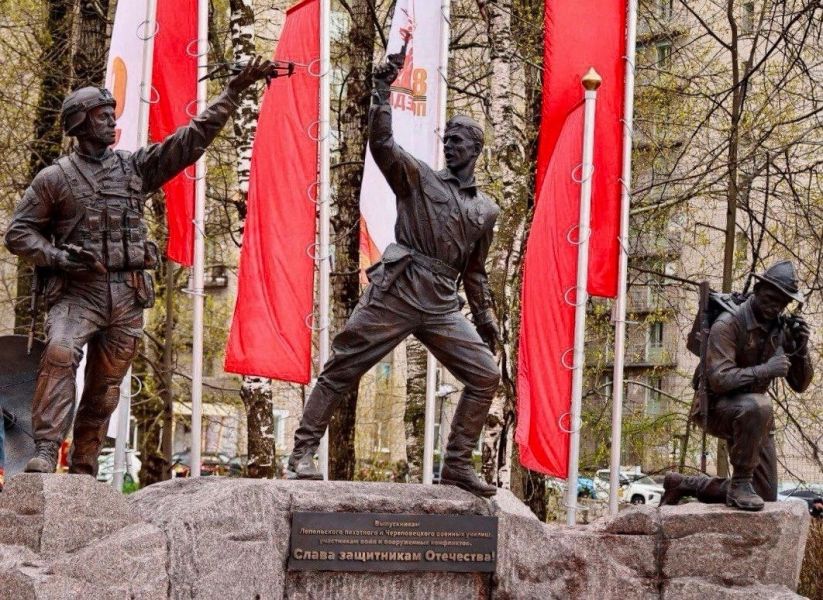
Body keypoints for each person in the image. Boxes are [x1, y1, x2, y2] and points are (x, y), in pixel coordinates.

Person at [4, 57, 278, 476]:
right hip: (78, 292)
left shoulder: (134, 168)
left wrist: (233, 91)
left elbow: (191, 140)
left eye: (111, 114)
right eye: (102, 115)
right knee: (59, 352)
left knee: (105, 385)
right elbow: (19, 233)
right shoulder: (54, 179)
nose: (111, 121)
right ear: (80, 123)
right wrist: (58, 257)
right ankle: (45, 447)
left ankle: (85, 462)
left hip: (127, 293)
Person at [287, 52, 501, 497]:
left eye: (459, 141)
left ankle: (457, 464)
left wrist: (485, 318)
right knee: (343, 365)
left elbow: (475, 272)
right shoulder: (419, 178)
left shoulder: (486, 209)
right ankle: (301, 454)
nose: (450, 145)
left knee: (485, 375)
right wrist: (381, 92)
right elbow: (383, 145)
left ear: (476, 150)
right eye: (447, 139)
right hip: (398, 290)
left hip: (442, 303)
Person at [661, 261, 813, 511]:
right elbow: (719, 379)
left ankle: (684, 484)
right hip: (715, 409)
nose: (775, 307)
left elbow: (800, 384)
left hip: (756, 417)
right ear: (758, 289)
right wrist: (766, 370)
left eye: (782, 303)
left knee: (765, 494)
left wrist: (801, 348)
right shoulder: (728, 324)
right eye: (770, 298)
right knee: (758, 404)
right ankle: (740, 483)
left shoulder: (779, 329)